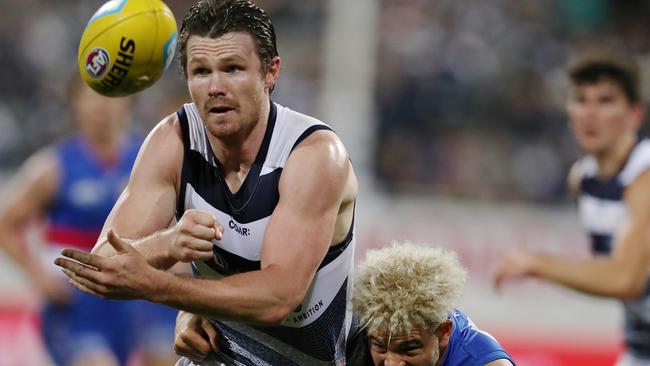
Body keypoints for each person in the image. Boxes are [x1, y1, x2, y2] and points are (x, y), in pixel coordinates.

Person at [53, 0, 358, 365]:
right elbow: (97, 265)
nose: (215, 86)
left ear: (270, 72)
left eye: (232, 69)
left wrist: (163, 288)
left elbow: (278, 297)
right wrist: (167, 244)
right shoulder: (173, 141)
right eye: (201, 71)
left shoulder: (313, 155)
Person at [0, 75, 177, 366]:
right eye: (93, 95)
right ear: (75, 103)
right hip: (78, 308)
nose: (101, 106)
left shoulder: (148, 162)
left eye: (111, 95)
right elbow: (5, 223)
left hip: (137, 300)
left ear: (129, 101)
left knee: (166, 358)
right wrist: (38, 276)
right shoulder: (53, 167)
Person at [494, 51, 650, 365]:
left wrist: (537, 264)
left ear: (634, 114)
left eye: (605, 101)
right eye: (581, 100)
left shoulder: (644, 176)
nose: (590, 113)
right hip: (639, 345)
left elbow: (626, 280)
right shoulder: (581, 179)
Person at [349, 241, 514, 366]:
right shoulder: (363, 329)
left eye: (408, 349)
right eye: (380, 347)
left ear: (443, 333)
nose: (391, 363)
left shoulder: (485, 362)